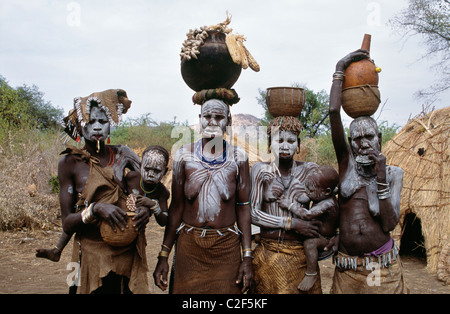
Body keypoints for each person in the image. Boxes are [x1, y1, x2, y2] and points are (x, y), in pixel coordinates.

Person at [48, 90, 151, 294]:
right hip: (89, 255)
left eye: (102, 121)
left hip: (126, 255)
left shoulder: (124, 154)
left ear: (111, 124)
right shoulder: (69, 162)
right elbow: (68, 222)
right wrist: (95, 209)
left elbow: (146, 192)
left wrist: (145, 211)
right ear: (79, 126)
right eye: (90, 121)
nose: (96, 126)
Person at [153, 98, 253, 294]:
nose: (213, 121)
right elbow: (176, 208)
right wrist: (163, 255)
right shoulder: (183, 155)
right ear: (200, 120)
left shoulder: (238, 158)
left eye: (219, 117)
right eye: (207, 116)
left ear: (228, 121)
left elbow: (243, 207)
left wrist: (247, 257)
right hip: (190, 247)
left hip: (226, 248)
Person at [328, 50, 407, 294]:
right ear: (350, 143)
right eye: (357, 138)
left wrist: (380, 179)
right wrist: (340, 68)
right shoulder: (346, 165)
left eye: (369, 137)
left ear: (380, 139)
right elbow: (333, 112)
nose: (363, 143)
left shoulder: (393, 174)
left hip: (381, 268)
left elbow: (389, 224)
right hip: (347, 268)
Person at [35, 144, 170, 262]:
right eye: (147, 169)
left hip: (130, 227)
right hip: (115, 211)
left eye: (157, 171)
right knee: (79, 217)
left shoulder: (162, 192)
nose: (151, 174)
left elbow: (164, 220)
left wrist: (152, 206)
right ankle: (57, 249)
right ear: (141, 167)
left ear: (165, 172)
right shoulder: (132, 177)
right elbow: (119, 193)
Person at [249, 115, 324, 294]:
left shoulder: (310, 170)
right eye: (279, 140)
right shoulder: (260, 170)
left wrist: (329, 235)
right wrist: (291, 223)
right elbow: (252, 213)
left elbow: (327, 202)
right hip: (269, 252)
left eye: (291, 141)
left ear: (298, 144)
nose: (284, 145)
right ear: (269, 144)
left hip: (301, 255)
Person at [278, 165, 339, 291]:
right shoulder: (325, 193)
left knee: (309, 243)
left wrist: (290, 205)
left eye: (310, 191)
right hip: (319, 232)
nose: (307, 192)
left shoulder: (327, 203)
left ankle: (311, 274)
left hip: (325, 238)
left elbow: (307, 214)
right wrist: (307, 194)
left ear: (327, 191)